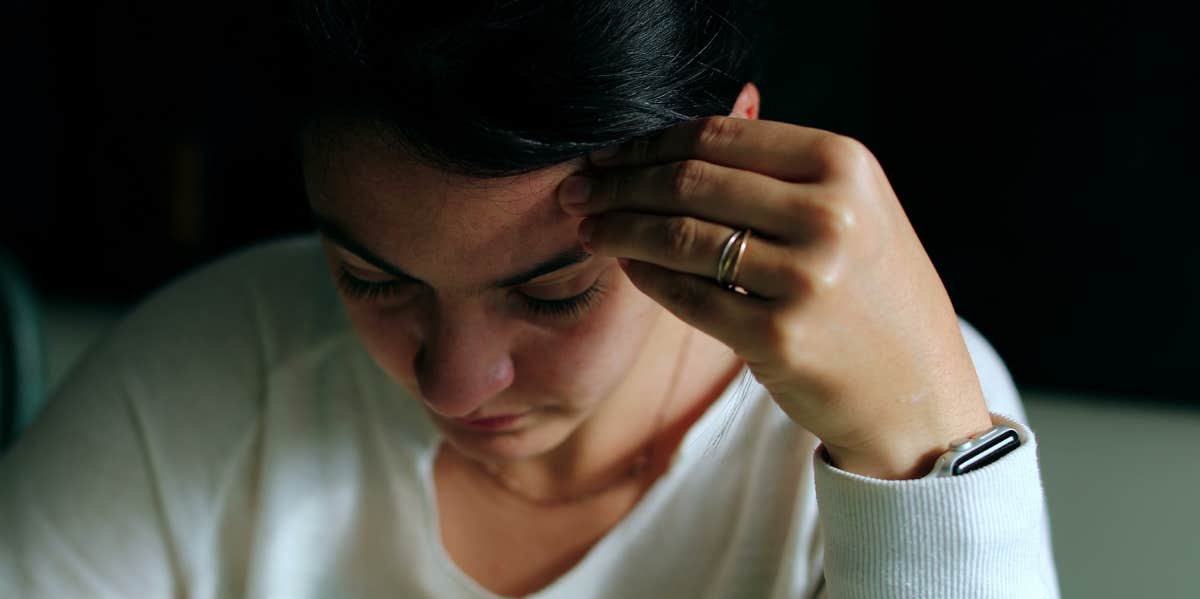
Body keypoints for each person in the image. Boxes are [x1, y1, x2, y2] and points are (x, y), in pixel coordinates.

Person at [0, 1, 1060, 597]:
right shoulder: (204, 377)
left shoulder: (887, 428)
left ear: (729, 160)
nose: (455, 381)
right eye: (371, 278)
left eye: (553, 291)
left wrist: (927, 459)